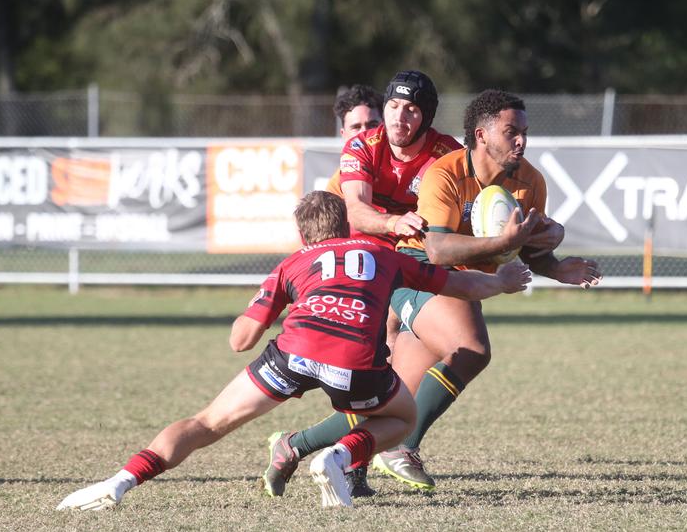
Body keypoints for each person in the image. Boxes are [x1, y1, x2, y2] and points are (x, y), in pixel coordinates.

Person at [57, 191, 532, 511]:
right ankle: (340, 458)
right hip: (355, 361)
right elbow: (456, 282)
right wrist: (501, 280)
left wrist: (259, 308)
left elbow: (240, 340)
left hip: (293, 351)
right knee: (401, 419)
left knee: (206, 423)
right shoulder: (384, 255)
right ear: (347, 224)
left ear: (304, 236)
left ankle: (119, 482)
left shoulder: (292, 263)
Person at [263, 89, 603, 496]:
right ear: (481, 134)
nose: (521, 141)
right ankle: (401, 446)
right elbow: (438, 250)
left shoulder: (530, 181)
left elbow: (523, 247)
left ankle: (294, 445)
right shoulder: (444, 173)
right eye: (511, 132)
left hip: (461, 284)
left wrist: (555, 266)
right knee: (472, 349)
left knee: (393, 400)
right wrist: (501, 246)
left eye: (525, 132)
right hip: (416, 276)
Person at [262, 70, 463, 498]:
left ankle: (322, 452)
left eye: (402, 111)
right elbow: (349, 223)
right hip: (369, 276)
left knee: (389, 384)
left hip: (405, 266)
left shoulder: (441, 153)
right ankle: (380, 452)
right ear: (344, 133)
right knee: (388, 374)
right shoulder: (348, 173)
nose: (378, 128)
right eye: (361, 124)